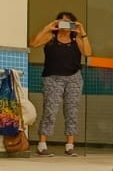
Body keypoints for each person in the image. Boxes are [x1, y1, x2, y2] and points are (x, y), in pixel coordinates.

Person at [30, 11, 90, 157]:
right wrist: (47, 28)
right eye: (62, 21)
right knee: (50, 110)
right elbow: (32, 43)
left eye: (68, 22)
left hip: (74, 78)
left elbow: (88, 53)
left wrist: (82, 32)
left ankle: (70, 146)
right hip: (52, 78)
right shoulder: (51, 37)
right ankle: (42, 145)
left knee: (72, 111)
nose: (65, 25)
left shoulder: (76, 39)